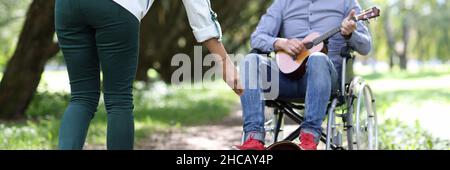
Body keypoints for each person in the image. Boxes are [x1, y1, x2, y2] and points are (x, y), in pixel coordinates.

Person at [55, 0, 242, 150]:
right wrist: (224, 61)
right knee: (118, 100)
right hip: (116, 7)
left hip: (67, 6)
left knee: (81, 97)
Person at [236, 0, 372, 150]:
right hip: (286, 79)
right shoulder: (283, 3)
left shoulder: (346, 3)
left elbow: (366, 47)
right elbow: (257, 38)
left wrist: (350, 35)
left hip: (326, 81)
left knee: (317, 58)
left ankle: (309, 139)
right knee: (250, 60)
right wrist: (279, 42)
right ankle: (253, 140)